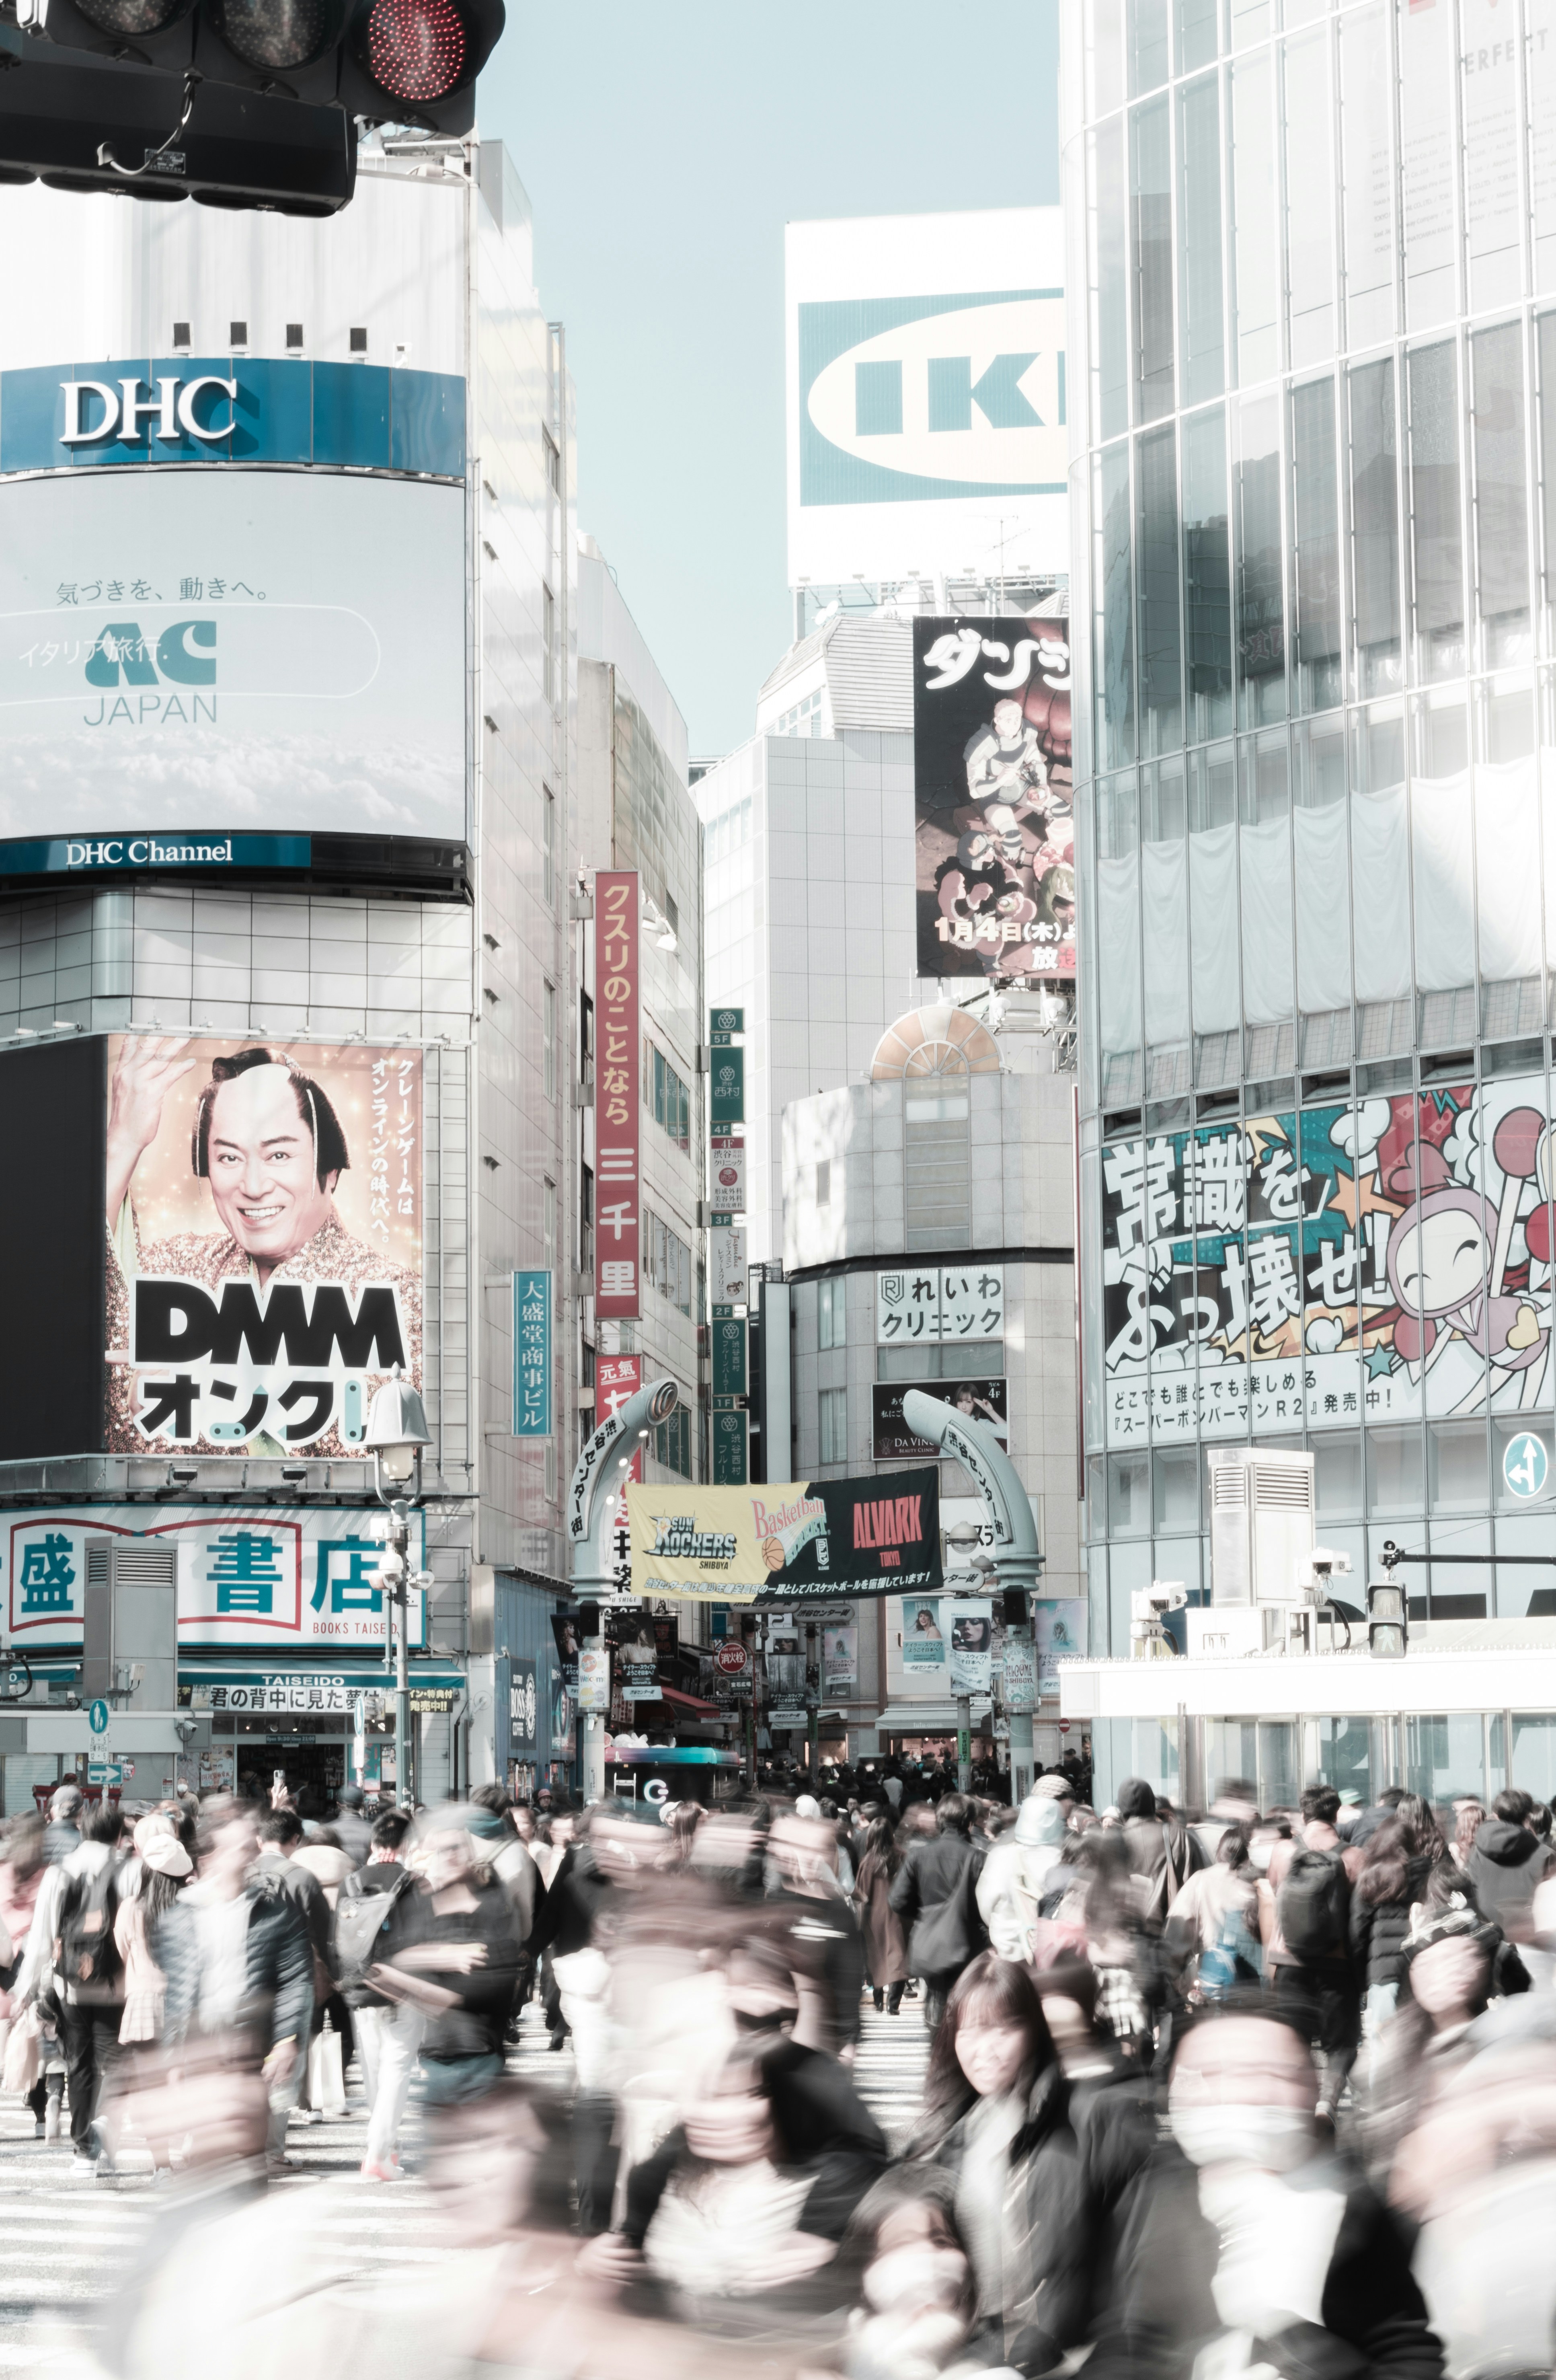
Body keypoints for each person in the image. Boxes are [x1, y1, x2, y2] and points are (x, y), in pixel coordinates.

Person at [1087, 1995, 1445, 2380]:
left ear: (1311, 2087)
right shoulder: (1166, 2197)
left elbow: (1407, 2354)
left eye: (1273, 2074)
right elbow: (1132, 2340)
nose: (1243, 2093)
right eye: (1210, 2073)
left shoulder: (1353, 2208)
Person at [103, 1039, 421, 1459]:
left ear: (328, 1163)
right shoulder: (177, 1268)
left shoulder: (400, 1297)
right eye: (230, 1158)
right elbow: (78, 1313)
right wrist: (123, 1144)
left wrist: (213, 1396)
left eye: (279, 1154)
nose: (253, 1186)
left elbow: (394, 1463)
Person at [908, 1952, 1089, 2376]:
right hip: (979, 2347)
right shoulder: (953, 2132)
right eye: (968, 2031)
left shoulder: (1072, 2124)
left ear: (1032, 2031)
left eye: (1004, 2028)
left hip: (1055, 2356)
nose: (983, 2050)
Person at [155, 1797, 315, 2179]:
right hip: (200, 2047)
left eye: (248, 1847)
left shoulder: (275, 1908)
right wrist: (172, 2057)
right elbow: (175, 1994)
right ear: (210, 1853)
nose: (244, 1857)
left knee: (247, 2153)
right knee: (204, 2155)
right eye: (235, 1848)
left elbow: (296, 1978)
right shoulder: (181, 1915)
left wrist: (287, 2039)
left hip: (247, 2046)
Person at [372, 1809, 521, 2106]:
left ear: (470, 1851)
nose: (448, 1857)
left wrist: (410, 1968)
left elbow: (478, 1987)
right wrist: (442, 1957)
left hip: (478, 2056)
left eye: (455, 1848)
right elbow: (386, 1960)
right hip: (437, 2054)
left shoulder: (491, 1902)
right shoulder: (424, 1904)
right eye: (439, 1851)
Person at [1261, 1784, 1361, 2113]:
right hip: (1337, 1963)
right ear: (1335, 1814)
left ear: (1304, 1814)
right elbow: (1359, 1913)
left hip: (1288, 1960)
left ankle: (1301, 2105)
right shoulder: (1354, 1856)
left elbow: (1277, 1894)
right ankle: (1327, 2102)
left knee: (1295, 2041)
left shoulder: (1283, 1851)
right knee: (1341, 2044)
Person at [338, 1806, 423, 2181]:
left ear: (375, 1842)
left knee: (374, 2070)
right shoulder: (416, 1882)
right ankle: (378, 2151)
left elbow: (335, 1937)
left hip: (361, 1985)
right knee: (398, 2068)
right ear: (408, 1844)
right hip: (404, 1987)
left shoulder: (352, 1882)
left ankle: (385, 2146)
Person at [890, 1796, 987, 2030]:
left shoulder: (918, 1856)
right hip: (970, 1942)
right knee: (968, 2003)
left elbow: (897, 1900)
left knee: (937, 2001)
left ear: (940, 1820)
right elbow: (989, 1906)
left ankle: (938, 2049)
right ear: (970, 1823)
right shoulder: (980, 1858)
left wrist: (925, 1915)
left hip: (931, 1943)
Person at [115, 1817, 192, 2045]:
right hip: (184, 2004)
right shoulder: (191, 1907)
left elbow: (123, 1951)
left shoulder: (131, 1906)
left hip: (142, 2005)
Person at [976, 1790, 1070, 1964]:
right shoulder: (1065, 1860)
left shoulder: (1000, 1857)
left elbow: (986, 1908)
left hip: (1010, 1951)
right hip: (1053, 1956)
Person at [1464, 1787, 1556, 1941]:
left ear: (1496, 1814)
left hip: (1489, 1942)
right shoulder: (1546, 1855)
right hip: (1531, 1942)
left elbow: (1470, 1895)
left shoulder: (1477, 1853)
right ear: (1528, 1817)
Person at [1116, 1778, 1205, 1927]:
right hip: (1175, 1931)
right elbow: (1199, 1883)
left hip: (1130, 1933)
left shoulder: (1114, 1843)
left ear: (1121, 1807)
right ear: (1152, 1803)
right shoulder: (1179, 1836)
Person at [852, 1818, 909, 2015]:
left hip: (873, 1915)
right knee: (899, 1958)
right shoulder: (902, 1856)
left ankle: (878, 2001)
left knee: (876, 1956)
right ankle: (893, 2004)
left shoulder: (867, 1862)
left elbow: (861, 1893)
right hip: (898, 1915)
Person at [329, 1786, 373, 1870]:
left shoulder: (328, 1830)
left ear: (338, 1805)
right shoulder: (372, 1829)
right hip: (363, 1880)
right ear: (361, 1806)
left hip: (338, 1880)